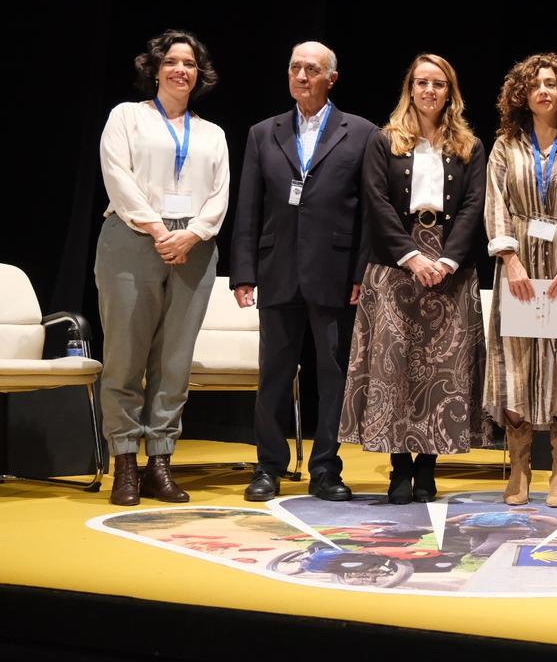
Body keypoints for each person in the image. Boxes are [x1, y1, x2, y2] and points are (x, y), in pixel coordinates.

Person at [338, 53, 489, 504]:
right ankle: (399, 467)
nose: (429, 91)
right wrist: (411, 256)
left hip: (450, 265)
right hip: (394, 261)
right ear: (410, 89)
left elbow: (474, 205)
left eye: (438, 84)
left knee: (442, 370)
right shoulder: (384, 140)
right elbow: (376, 201)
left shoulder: (470, 145)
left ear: (450, 93)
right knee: (396, 367)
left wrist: (447, 260)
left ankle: (428, 467)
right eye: (422, 83)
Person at [231, 41, 376, 502]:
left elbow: (369, 212)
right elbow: (248, 207)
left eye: (311, 69)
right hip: (277, 268)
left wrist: (361, 272)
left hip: (336, 271)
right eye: (295, 67)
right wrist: (243, 272)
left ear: (332, 78)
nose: (301, 76)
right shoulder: (263, 132)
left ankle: (326, 469)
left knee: (333, 374)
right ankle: (268, 467)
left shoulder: (362, 132)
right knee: (273, 373)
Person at [95, 28, 229, 506]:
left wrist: (192, 234)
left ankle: (160, 463)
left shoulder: (212, 133)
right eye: (172, 61)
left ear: (199, 74)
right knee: (126, 357)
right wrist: (157, 230)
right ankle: (125, 464)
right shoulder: (127, 117)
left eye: (189, 64)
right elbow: (118, 176)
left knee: (174, 362)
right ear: (154, 69)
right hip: (133, 239)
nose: (181, 70)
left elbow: (219, 194)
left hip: (194, 247)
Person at [484, 53, 557, 508]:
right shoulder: (505, 146)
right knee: (515, 364)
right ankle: (519, 469)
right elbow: (495, 203)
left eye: (551, 83)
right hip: (516, 266)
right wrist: (511, 261)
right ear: (522, 94)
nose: (543, 91)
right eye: (534, 85)